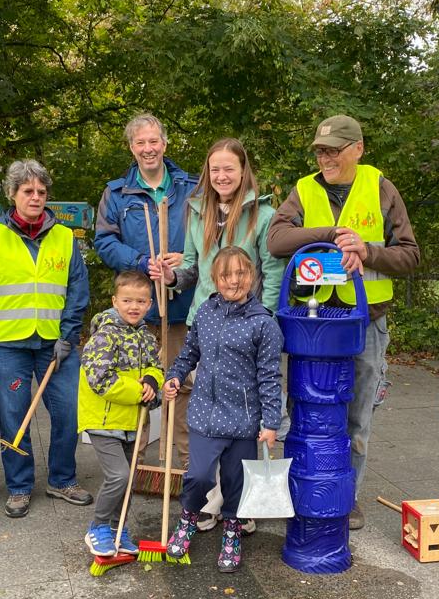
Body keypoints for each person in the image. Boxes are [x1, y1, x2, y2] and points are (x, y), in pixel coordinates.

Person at [267, 115, 420, 529]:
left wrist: (368, 251)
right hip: (312, 327)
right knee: (306, 410)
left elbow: (410, 254)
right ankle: (301, 488)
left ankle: (344, 497)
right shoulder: (304, 190)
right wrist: (329, 233)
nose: (326, 157)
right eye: (320, 150)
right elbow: (276, 240)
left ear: (358, 148)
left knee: (356, 417)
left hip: (363, 324)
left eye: (334, 150)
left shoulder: (383, 189)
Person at [150, 137, 284, 533]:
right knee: (205, 408)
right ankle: (208, 501)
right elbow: (191, 267)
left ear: (243, 171)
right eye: (215, 169)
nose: (222, 176)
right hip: (205, 320)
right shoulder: (196, 212)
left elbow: (272, 272)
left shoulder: (265, 214)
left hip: (248, 325)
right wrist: (172, 276)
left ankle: (241, 506)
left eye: (229, 168)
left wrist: (269, 319)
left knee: (248, 409)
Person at [0, 159, 92, 518]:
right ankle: (18, 487)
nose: (35, 197)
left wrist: (68, 335)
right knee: (14, 418)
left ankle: (62, 479)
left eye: (41, 191)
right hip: (8, 346)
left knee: (67, 414)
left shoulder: (64, 237)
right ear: (13, 194)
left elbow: (77, 291)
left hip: (56, 346)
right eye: (28, 191)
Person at [162, 247, 283, 572]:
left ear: (252, 276)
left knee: (236, 481)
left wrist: (271, 422)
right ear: (215, 279)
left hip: (243, 421)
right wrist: (174, 375)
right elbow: (189, 352)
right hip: (205, 414)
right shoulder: (205, 312)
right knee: (198, 475)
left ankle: (232, 529)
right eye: (226, 274)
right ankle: (188, 518)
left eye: (241, 273)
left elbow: (270, 376)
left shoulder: (264, 324)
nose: (234, 280)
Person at [93, 114, 198, 468]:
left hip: (180, 306)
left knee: (180, 386)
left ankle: (181, 468)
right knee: (136, 385)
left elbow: (208, 235)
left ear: (165, 144)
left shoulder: (191, 189)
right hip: (135, 309)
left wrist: (185, 257)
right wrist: (140, 260)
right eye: (141, 142)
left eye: (154, 141)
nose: (148, 148)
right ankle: (130, 469)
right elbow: (104, 241)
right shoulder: (116, 193)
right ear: (131, 147)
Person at [77, 271, 163, 556]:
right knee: (119, 476)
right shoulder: (105, 335)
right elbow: (99, 378)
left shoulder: (147, 338)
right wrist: (138, 392)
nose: (133, 306)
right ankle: (98, 527)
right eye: (127, 300)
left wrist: (152, 382)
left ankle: (117, 529)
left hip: (131, 422)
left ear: (150, 304)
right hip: (102, 421)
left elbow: (156, 369)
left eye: (141, 301)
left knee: (128, 481)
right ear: (115, 301)